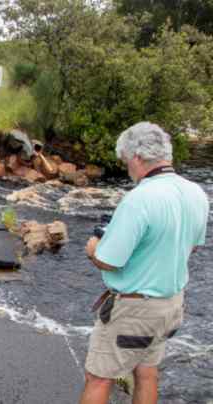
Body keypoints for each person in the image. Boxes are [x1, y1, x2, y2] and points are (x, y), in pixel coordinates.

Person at [81, 122, 209, 404]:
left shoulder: (140, 198)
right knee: (147, 371)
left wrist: (93, 248)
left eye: (126, 161)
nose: (127, 168)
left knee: (99, 378)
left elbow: (108, 261)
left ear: (137, 157)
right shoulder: (197, 193)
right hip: (171, 304)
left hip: (134, 310)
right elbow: (192, 247)